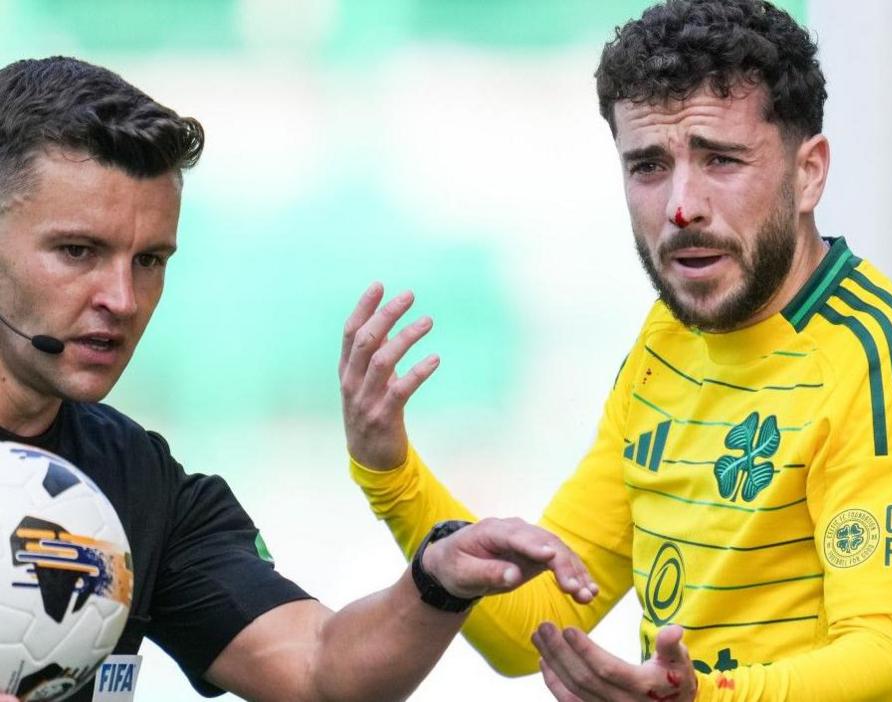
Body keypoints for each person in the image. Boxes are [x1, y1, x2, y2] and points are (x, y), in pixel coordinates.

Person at [344, 0, 892, 699]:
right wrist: (394, 478)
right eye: (649, 166)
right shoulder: (666, 341)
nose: (682, 205)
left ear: (809, 173)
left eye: (721, 159)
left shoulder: (889, 364)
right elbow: (538, 620)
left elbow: (891, 667)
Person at [0, 56, 598, 702]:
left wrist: (438, 579)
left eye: (150, 260)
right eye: (77, 252)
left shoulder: (143, 483)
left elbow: (317, 670)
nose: (122, 297)